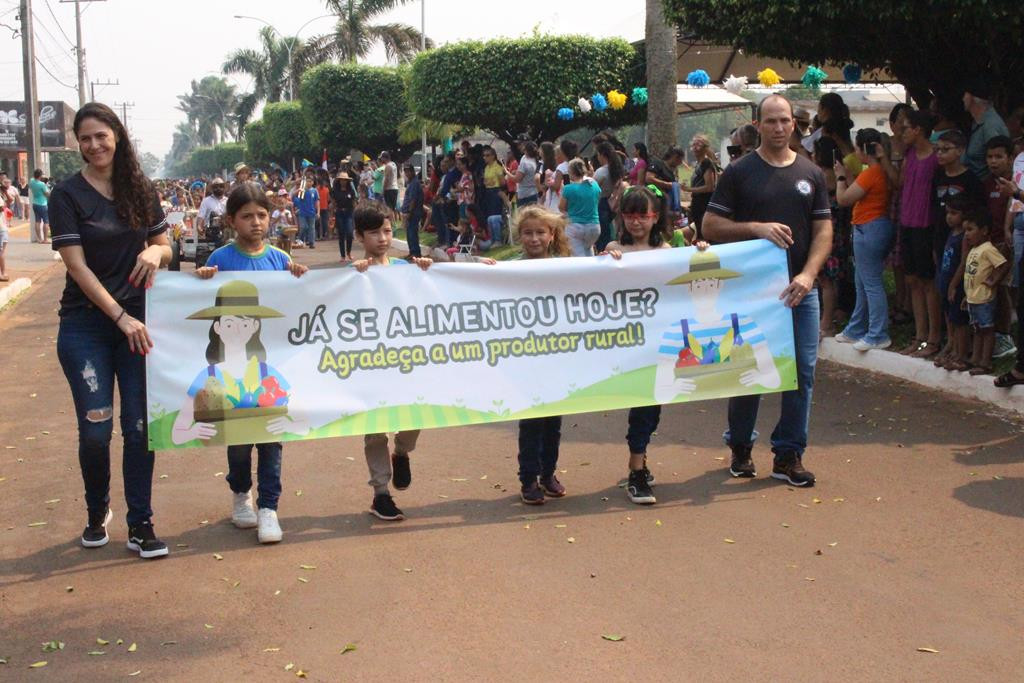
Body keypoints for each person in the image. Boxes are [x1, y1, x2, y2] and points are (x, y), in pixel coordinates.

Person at [50, 102, 172, 558]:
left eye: (101, 135)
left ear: (116, 136)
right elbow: (77, 267)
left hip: (139, 324)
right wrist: (119, 317)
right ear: (78, 144)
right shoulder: (67, 195)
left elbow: (165, 242)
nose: (94, 145)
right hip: (86, 325)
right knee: (96, 430)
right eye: (85, 138)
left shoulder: (141, 189)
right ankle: (96, 509)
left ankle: (141, 523)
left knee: (140, 427)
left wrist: (155, 255)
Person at [703, 94, 833, 487]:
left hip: (799, 292)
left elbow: (824, 230)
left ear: (795, 124)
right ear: (757, 124)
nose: (779, 128)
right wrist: (756, 228)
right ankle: (741, 446)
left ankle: (788, 454)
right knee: (749, 370)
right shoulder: (739, 172)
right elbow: (711, 226)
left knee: (802, 373)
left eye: (785, 121)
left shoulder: (812, 174)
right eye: (771, 121)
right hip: (751, 293)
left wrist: (809, 275)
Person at [185, 185, 310, 543]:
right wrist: (203, 277)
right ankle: (242, 494)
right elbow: (197, 293)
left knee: (271, 438)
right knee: (238, 441)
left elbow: (295, 306)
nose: (256, 223)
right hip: (231, 373)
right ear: (231, 221)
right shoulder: (221, 259)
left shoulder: (279, 260)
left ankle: (269, 507)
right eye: (247, 216)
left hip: (266, 371)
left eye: (262, 215)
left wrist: (297, 275)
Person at [350, 202, 432, 520]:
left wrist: (424, 270)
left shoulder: (405, 269)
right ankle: (381, 493)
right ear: (360, 236)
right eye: (374, 233)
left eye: (387, 231)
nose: (383, 239)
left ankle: (402, 452)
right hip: (369, 364)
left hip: (406, 361)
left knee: (415, 418)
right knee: (374, 430)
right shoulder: (354, 274)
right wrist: (355, 277)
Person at [602, 186, 675, 504]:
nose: (636, 222)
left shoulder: (668, 249)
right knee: (642, 404)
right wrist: (606, 262)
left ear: (655, 217)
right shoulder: (614, 248)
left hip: (660, 341)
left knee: (653, 404)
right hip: (628, 343)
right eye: (629, 215)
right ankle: (636, 469)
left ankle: (640, 460)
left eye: (642, 215)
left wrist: (700, 250)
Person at [513, 205, 570, 503]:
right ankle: (528, 480)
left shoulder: (566, 267)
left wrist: (610, 262)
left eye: (540, 232)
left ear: (551, 235)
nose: (534, 238)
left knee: (553, 422)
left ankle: (548, 473)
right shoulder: (510, 269)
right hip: (526, 358)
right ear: (519, 236)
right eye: (527, 233)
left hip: (557, 358)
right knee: (532, 421)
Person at [834, 128, 894, 350]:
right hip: (872, 227)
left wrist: (840, 177)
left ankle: (878, 333)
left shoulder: (872, 173)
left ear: (862, 149)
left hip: (869, 228)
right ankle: (857, 328)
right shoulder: (878, 171)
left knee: (871, 284)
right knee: (863, 282)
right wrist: (848, 176)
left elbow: (844, 198)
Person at [897, 110, 941, 357]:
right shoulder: (909, 156)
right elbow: (900, 183)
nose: (902, 133)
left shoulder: (936, 157)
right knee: (912, 280)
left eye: (906, 128)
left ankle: (934, 337)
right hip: (907, 223)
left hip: (927, 225)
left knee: (929, 282)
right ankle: (920, 335)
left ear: (918, 129)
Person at [982, 136, 1019, 360]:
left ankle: (1005, 334)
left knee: (1004, 288)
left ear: (1010, 158)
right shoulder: (986, 184)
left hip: (1008, 244)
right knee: (991, 289)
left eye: (999, 157)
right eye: (989, 157)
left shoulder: (1017, 183)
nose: (993, 161)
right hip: (988, 244)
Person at [962, 208, 1010, 374]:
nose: (967, 234)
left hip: (984, 299)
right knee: (977, 329)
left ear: (984, 230)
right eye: (965, 230)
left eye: (970, 230)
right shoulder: (974, 250)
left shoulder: (988, 249)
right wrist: (967, 295)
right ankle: (975, 358)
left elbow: (1003, 265)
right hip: (973, 298)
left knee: (987, 330)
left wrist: (993, 280)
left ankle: (985, 362)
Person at [935, 194, 972, 370]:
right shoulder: (951, 233)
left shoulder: (964, 237)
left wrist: (954, 284)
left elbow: (964, 262)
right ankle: (953, 346)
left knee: (959, 320)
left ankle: (961, 353)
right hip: (945, 281)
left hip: (956, 285)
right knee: (950, 317)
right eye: (947, 212)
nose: (949, 216)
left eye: (954, 213)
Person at [963, 79, 1009, 181]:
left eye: (965, 94)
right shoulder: (977, 122)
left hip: (987, 189)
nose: (963, 98)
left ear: (973, 98)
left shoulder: (990, 125)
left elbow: (999, 162)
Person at [559, 158, 601, 256]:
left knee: (578, 258)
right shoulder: (594, 185)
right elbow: (597, 200)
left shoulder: (568, 189)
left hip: (575, 227)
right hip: (594, 227)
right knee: (589, 251)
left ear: (570, 172)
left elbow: (561, 207)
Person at [683, 135, 718, 239]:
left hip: (704, 203)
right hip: (697, 203)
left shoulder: (706, 163)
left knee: (703, 233)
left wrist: (689, 189)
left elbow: (709, 187)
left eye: (698, 144)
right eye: (693, 144)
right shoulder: (699, 163)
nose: (694, 147)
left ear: (705, 147)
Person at [593, 141, 625, 251]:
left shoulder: (601, 172)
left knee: (602, 234)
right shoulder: (617, 169)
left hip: (600, 203)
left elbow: (593, 188)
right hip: (611, 203)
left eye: (598, 154)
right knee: (608, 231)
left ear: (602, 155)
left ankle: (603, 252)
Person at [481, 146, 505, 246]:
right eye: (484, 155)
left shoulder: (498, 167)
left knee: (495, 216)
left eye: (487, 155)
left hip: (496, 191)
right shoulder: (486, 168)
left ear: (493, 156)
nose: (485, 157)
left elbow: (502, 182)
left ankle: (498, 240)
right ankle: (492, 239)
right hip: (488, 191)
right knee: (489, 216)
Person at [331, 171, 357, 262]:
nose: (343, 181)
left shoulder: (351, 190)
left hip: (349, 213)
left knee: (349, 233)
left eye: (345, 180)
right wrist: (332, 216)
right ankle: (343, 255)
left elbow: (354, 203)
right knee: (341, 234)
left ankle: (349, 252)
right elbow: (333, 203)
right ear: (339, 181)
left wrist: (356, 214)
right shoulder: (335, 191)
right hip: (339, 213)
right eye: (342, 180)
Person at [400, 163, 424, 257]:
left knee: (412, 233)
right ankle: (412, 251)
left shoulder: (414, 183)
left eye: (408, 171)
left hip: (413, 212)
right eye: (405, 171)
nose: (407, 173)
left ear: (412, 171)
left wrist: (409, 212)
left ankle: (415, 252)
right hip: (409, 212)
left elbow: (413, 200)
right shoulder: (410, 182)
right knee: (409, 232)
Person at [293, 175, 319, 248]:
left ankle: (311, 243)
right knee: (303, 227)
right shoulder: (302, 189)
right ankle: (300, 240)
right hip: (302, 213)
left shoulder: (314, 190)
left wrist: (318, 212)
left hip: (311, 212)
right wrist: (299, 190)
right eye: (307, 181)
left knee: (312, 228)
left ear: (313, 182)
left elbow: (317, 202)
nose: (309, 183)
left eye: (310, 181)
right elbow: (293, 195)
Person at [512, 140, 540, 209]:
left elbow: (517, 179)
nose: (520, 147)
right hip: (534, 193)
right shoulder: (535, 160)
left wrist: (507, 172)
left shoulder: (525, 162)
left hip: (525, 194)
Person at [29, 168, 51, 243]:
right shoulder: (42, 184)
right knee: (46, 221)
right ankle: (45, 239)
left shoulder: (31, 182)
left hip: (35, 203)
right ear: (40, 175)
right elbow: (47, 194)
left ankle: (39, 239)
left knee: (37, 221)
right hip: (42, 204)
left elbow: (33, 179)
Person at [380, 152, 399, 219]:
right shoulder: (394, 164)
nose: (381, 160)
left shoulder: (388, 166)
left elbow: (386, 179)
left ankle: (391, 223)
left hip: (389, 189)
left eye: (382, 158)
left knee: (389, 208)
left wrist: (383, 190)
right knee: (392, 208)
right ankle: (393, 223)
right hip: (395, 188)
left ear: (384, 158)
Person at [316, 172, 331, 240]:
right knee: (324, 222)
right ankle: (323, 235)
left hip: (319, 208)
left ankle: (320, 235)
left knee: (319, 223)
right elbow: (328, 199)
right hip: (323, 207)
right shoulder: (326, 189)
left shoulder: (316, 189)